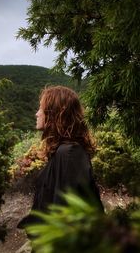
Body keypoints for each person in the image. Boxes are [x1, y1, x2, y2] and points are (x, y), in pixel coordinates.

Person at [18, 85, 103, 228]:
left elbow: (69, 217)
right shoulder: (62, 151)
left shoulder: (69, 154)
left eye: (41, 108)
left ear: (56, 112)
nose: (37, 114)